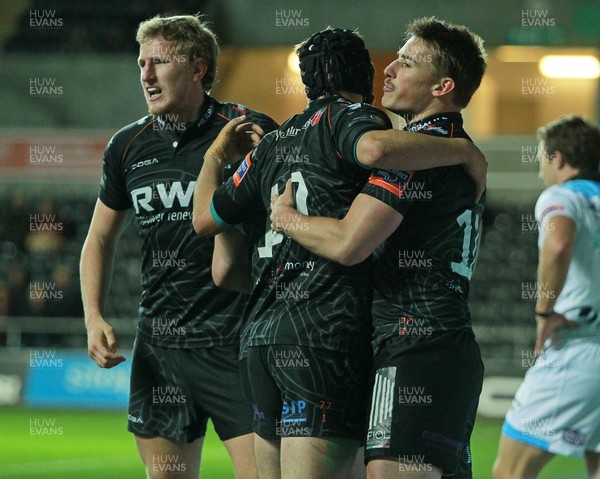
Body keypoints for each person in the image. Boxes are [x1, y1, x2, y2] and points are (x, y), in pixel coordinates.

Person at [192, 25, 486, 479]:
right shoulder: (437, 147)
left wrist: (284, 219)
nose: (390, 68)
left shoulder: (414, 151)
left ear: (442, 86)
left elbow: (349, 242)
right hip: (402, 340)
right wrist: (464, 151)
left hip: (415, 344)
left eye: (407, 62)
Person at [79, 14, 277, 479]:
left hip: (240, 343)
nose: (145, 74)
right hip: (161, 350)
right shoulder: (127, 146)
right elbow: (99, 237)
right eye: (141, 63)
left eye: (159, 62)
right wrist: (92, 316)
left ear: (197, 68)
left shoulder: (248, 131)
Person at [493, 115, 600, 479]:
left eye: (542, 158)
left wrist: (545, 314)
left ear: (557, 159)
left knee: (511, 472)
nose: (541, 168)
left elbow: (558, 245)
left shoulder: (561, 195)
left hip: (578, 347)